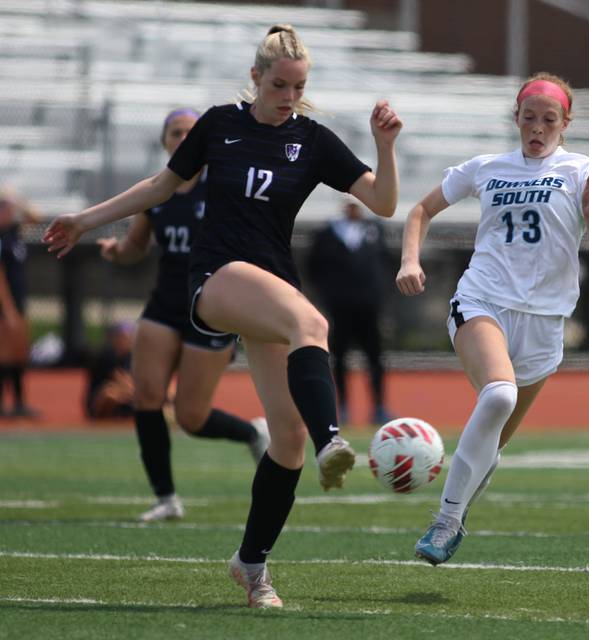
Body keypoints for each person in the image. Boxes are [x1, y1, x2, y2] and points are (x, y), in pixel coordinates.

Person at [44, 25, 401, 608]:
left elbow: (383, 202)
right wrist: (86, 219)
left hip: (271, 290)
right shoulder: (219, 124)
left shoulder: (311, 139)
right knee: (313, 326)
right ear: (256, 78)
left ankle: (252, 565)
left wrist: (384, 146)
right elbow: (162, 186)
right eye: (279, 83)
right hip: (215, 278)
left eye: (298, 86)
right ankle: (331, 438)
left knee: (284, 440)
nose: (288, 95)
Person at [396, 72, 589, 566]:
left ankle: (456, 514)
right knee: (499, 394)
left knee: (495, 442)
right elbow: (419, 211)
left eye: (549, 120)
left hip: (545, 321)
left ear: (566, 123)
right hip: (483, 300)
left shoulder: (585, 172)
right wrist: (411, 260)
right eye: (529, 118)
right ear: (516, 119)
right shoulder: (487, 167)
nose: (537, 128)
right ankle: (445, 522)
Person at [96, 107, 271, 523]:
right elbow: (137, 246)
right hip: (164, 304)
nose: (181, 138)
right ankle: (166, 498)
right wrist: (115, 252)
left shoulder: (222, 188)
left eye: (189, 132)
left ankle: (251, 432)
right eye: (174, 132)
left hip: (210, 307)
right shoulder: (156, 193)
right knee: (147, 397)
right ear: (164, 142)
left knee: (192, 416)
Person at [307, 199, 393, 425]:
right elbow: (313, 267)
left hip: (369, 305)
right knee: (339, 357)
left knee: (375, 357)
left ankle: (379, 406)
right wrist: (327, 294)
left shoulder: (374, 230)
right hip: (339, 306)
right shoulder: (327, 233)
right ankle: (343, 406)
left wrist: (380, 294)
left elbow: (386, 263)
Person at [0, 185, 42, 418]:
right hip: (6, 306)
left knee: (18, 354)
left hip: (19, 301)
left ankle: (18, 403)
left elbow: (36, 217)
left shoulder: (14, 232)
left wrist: (17, 200)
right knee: (4, 354)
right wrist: (8, 311)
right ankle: (7, 403)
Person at [84, 321, 135, 419]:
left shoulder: (132, 357)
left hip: (126, 395)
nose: (124, 340)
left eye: (128, 337)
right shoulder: (106, 357)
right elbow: (121, 379)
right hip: (98, 398)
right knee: (110, 394)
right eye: (121, 337)